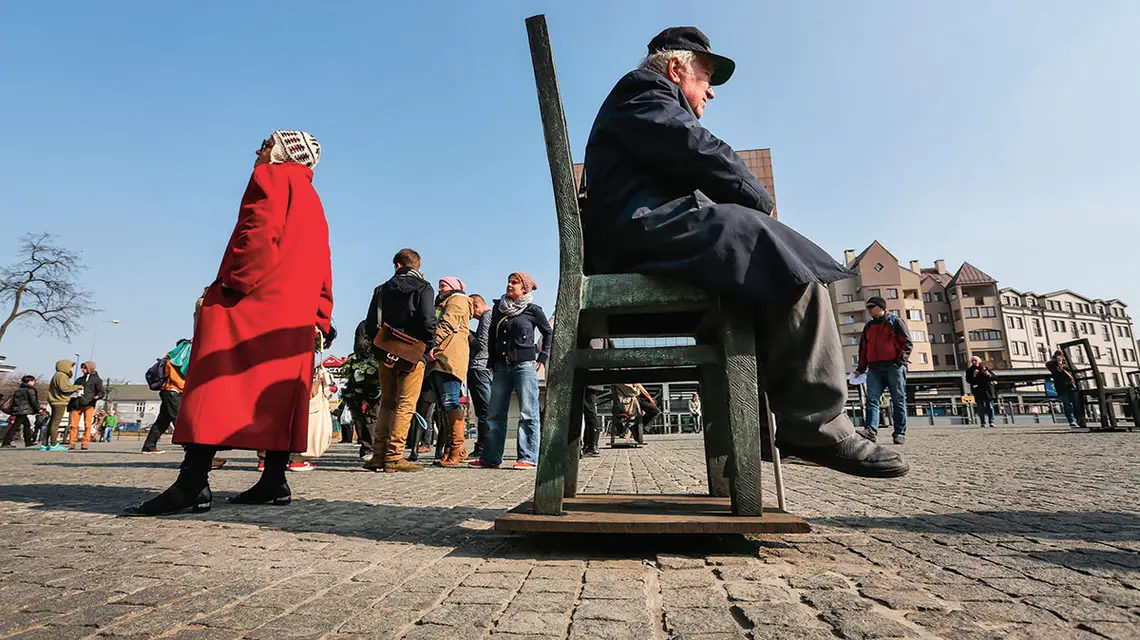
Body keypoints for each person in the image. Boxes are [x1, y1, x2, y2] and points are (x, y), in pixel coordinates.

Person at [582, 27, 907, 477]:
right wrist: (759, 198)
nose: (711, 91)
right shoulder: (645, 89)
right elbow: (696, 148)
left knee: (764, 259)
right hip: (642, 230)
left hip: (643, 231)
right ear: (676, 68)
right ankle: (814, 426)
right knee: (781, 259)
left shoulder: (646, 101)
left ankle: (757, 427)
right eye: (705, 77)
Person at [123, 130, 332, 517]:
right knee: (278, 396)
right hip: (295, 313)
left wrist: (233, 284)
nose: (259, 150)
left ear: (284, 152)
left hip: (253, 303)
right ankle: (274, 480)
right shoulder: (313, 198)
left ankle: (192, 483)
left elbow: (257, 233)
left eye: (266, 144)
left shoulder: (271, 176)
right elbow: (323, 260)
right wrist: (322, 314)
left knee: (214, 386)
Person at [362, 248, 437, 473]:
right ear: (417, 266)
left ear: (397, 265)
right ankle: (394, 456)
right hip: (413, 352)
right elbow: (428, 320)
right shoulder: (424, 287)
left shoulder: (381, 289)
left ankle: (378, 455)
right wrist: (429, 345)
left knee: (387, 403)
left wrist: (381, 345)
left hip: (386, 351)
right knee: (406, 403)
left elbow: (369, 324)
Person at [471, 273, 552, 470]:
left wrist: (542, 357)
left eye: (514, 282)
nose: (509, 284)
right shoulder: (499, 309)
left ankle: (528, 456)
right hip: (501, 366)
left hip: (524, 365)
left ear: (524, 288)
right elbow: (492, 337)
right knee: (495, 413)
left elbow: (548, 333)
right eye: (508, 281)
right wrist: (491, 361)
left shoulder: (533, 310)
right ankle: (491, 457)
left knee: (528, 412)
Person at [427, 277, 474, 467]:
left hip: (449, 358)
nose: (440, 288)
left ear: (454, 287)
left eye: (443, 285)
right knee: (444, 405)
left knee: (450, 401)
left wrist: (432, 344)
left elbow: (447, 324)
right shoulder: (446, 302)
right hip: (442, 357)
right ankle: (451, 448)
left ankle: (456, 448)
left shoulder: (458, 299)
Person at [854, 296, 912, 445]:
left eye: (871, 307)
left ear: (880, 308)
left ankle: (899, 433)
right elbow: (863, 348)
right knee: (872, 400)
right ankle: (870, 431)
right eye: (867, 307)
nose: (868, 310)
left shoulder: (895, 322)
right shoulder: (868, 326)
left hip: (894, 367)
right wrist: (861, 368)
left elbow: (907, 343)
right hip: (874, 368)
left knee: (898, 400)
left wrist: (899, 361)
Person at [141, 339, 191, 454]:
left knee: (162, 421)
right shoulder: (177, 361)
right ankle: (190, 448)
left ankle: (149, 446)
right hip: (173, 392)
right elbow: (178, 380)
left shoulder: (171, 358)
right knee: (179, 420)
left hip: (168, 392)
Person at [467, 294, 493, 459]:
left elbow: (480, 345)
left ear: (476, 305)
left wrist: (466, 332)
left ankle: (482, 447)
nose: (471, 316)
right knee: (486, 409)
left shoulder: (486, 317)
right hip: (486, 367)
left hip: (479, 366)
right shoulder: (492, 315)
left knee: (483, 410)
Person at [43, 361, 82, 451]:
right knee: (55, 423)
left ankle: (44, 444)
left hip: (54, 401)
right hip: (59, 402)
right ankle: (53, 444)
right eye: (70, 367)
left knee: (52, 422)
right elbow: (64, 388)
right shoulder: (62, 376)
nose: (71, 369)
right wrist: (77, 387)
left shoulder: (57, 375)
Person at [66, 361, 105, 450]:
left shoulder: (97, 380)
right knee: (73, 425)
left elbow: (102, 392)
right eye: (82, 367)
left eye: (85, 368)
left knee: (87, 425)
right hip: (76, 404)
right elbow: (73, 389)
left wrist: (97, 396)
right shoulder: (79, 380)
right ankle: (72, 442)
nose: (82, 369)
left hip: (89, 404)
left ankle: (85, 443)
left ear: (90, 368)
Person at [1047, 350, 1083, 427]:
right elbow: (1054, 369)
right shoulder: (1052, 364)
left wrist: (1063, 365)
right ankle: (1072, 420)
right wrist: (1058, 362)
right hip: (1062, 387)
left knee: (1076, 403)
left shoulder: (1068, 363)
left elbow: (1075, 371)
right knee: (1067, 404)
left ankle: (1078, 419)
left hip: (1071, 386)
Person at [3, 376, 39, 447]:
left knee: (26, 425)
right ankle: (6, 442)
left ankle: (28, 442)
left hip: (18, 410)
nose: (34, 382)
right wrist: (38, 409)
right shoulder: (30, 390)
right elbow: (33, 401)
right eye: (33, 381)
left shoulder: (18, 390)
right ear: (29, 381)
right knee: (15, 426)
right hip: (23, 410)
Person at [966, 356, 996, 428]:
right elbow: (968, 380)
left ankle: (991, 422)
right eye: (972, 361)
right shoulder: (969, 370)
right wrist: (974, 375)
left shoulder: (984, 368)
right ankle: (982, 422)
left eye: (975, 360)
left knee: (990, 406)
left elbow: (995, 377)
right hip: (977, 390)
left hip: (987, 390)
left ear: (979, 361)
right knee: (980, 407)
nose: (974, 362)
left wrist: (988, 374)